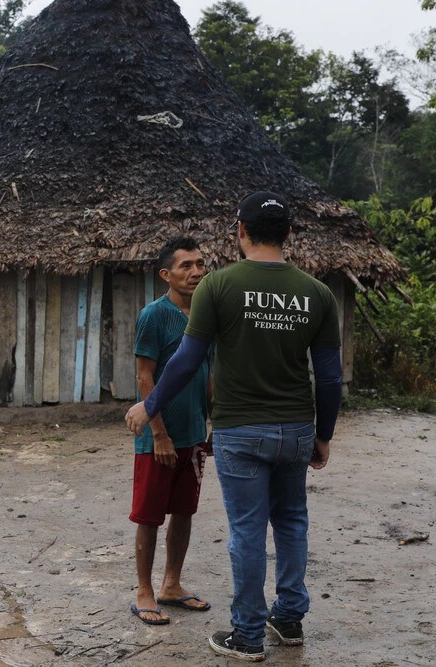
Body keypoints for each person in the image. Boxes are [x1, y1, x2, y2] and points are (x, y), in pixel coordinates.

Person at [125, 191, 342, 662]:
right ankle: (288, 619)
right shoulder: (318, 293)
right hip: (296, 427)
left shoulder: (218, 287)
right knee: (292, 522)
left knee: (247, 530)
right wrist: (323, 433)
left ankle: (246, 634)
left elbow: (186, 360)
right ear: (288, 234)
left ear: (239, 231)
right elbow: (328, 376)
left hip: (240, 430)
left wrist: (149, 406)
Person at [129, 236, 213, 626]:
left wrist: (213, 423)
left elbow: (211, 374)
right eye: (186, 266)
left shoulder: (206, 314)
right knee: (149, 515)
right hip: (158, 438)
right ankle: (145, 590)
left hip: (195, 432)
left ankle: (172, 584)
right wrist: (159, 433)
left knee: (184, 510)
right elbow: (145, 377)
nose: (196, 271)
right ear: (166, 274)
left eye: (200, 264)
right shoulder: (153, 315)